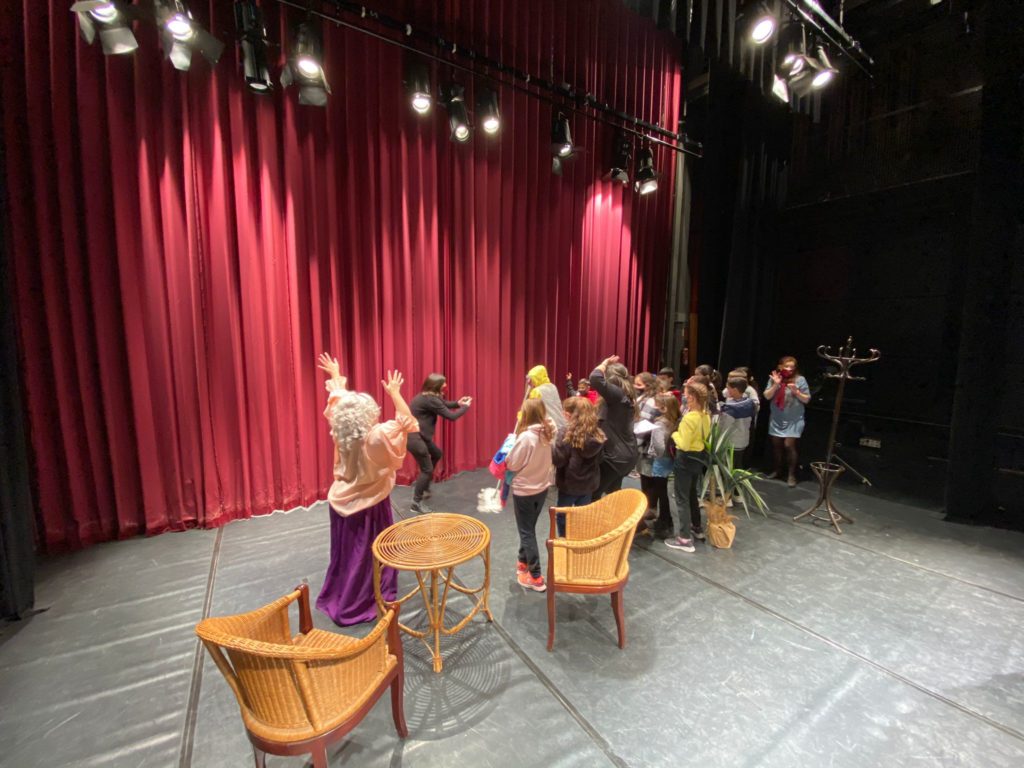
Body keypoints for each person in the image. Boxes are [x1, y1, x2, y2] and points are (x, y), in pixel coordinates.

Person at [315, 353, 418, 626]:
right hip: (369, 505)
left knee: (346, 555)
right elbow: (408, 422)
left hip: (341, 502)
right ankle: (358, 601)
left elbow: (338, 402)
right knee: (365, 555)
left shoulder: (341, 431)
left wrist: (335, 376)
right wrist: (395, 393)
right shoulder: (376, 438)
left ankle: (342, 593)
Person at [506, 399, 555, 592]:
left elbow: (512, 464)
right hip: (541, 488)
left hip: (525, 490)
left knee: (526, 531)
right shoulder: (548, 433)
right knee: (529, 529)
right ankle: (522, 560)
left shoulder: (526, 437)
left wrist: (508, 450)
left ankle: (536, 577)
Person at [408, 373, 471, 513]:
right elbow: (451, 416)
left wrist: (458, 403)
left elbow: (444, 404)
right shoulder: (430, 399)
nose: (446, 385)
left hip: (420, 437)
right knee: (427, 469)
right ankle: (415, 503)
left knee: (436, 454)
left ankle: (424, 485)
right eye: (444, 383)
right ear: (436, 385)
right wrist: (465, 407)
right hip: (415, 439)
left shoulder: (427, 397)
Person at [551, 397, 606, 536]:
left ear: (569, 415)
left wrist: (551, 445)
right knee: (582, 516)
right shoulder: (598, 433)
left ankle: (565, 541)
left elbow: (558, 460)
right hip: (588, 484)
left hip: (569, 484)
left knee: (563, 515)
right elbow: (600, 459)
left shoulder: (566, 433)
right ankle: (580, 540)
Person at [667, 381, 711, 552]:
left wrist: (674, 434)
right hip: (698, 458)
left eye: (685, 395)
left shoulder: (689, 418)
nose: (684, 397)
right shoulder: (705, 416)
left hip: (685, 459)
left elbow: (684, 444)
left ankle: (684, 539)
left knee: (681, 498)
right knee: (692, 493)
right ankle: (697, 527)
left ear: (692, 397)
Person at [589, 355, 640, 499]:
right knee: (613, 494)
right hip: (624, 455)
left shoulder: (617, 395)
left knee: (593, 495)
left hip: (615, 457)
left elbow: (595, 378)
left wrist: (604, 363)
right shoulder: (624, 396)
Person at [763, 355, 811, 487]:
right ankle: (778, 470)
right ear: (780, 367)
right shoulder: (774, 378)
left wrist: (796, 391)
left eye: (792, 367)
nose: (789, 369)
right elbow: (767, 396)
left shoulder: (800, 380)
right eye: (787, 366)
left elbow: (806, 399)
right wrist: (776, 384)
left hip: (794, 419)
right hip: (777, 418)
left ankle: (791, 474)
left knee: (789, 445)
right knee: (777, 446)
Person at [642, 393, 681, 538]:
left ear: (664, 407)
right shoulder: (677, 420)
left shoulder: (659, 424)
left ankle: (663, 521)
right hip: (672, 460)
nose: (655, 407)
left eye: (657, 405)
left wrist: (656, 455)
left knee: (661, 492)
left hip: (661, 460)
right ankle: (667, 519)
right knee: (667, 492)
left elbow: (658, 445)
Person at [719, 376, 757, 469]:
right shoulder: (750, 403)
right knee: (738, 465)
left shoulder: (731, 408)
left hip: (732, 443)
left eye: (728, 388)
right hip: (743, 441)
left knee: (730, 467)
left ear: (735, 390)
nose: (727, 391)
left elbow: (724, 427)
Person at [523, 365, 567, 430]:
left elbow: (530, 410)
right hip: (561, 424)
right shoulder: (553, 387)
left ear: (536, 378)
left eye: (531, 379)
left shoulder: (536, 391)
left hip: (550, 428)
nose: (529, 382)